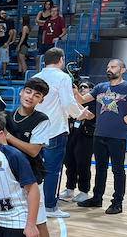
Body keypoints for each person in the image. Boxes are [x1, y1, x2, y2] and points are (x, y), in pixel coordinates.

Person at [77, 59, 127, 214]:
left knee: (118, 170)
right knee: (100, 169)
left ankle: (117, 202)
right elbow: (81, 100)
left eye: (113, 67)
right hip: (98, 134)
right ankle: (97, 198)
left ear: (122, 70)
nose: (109, 69)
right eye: (108, 67)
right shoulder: (100, 87)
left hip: (117, 136)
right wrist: (73, 89)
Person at [4, 78, 61, 237]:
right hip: (9, 178)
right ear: (21, 93)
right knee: (8, 225)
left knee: (38, 224)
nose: (30, 97)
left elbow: (33, 150)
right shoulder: (7, 116)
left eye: (36, 95)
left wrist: (8, 137)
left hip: (32, 179)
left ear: (41, 100)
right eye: (28, 92)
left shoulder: (42, 119)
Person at [33, 48, 90, 218]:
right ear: (61, 60)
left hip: (36, 130)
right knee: (52, 170)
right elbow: (67, 102)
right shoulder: (63, 77)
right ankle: (50, 206)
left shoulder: (35, 77)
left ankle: (35, 203)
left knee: (35, 169)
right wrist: (80, 114)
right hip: (55, 130)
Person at [60, 80, 96, 203]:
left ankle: (84, 191)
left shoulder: (94, 102)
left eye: (85, 87)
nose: (81, 89)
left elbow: (89, 115)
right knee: (69, 162)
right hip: (72, 134)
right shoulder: (73, 101)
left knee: (83, 164)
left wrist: (77, 102)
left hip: (86, 135)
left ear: (91, 89)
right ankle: (69, 188)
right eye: (79, 87)